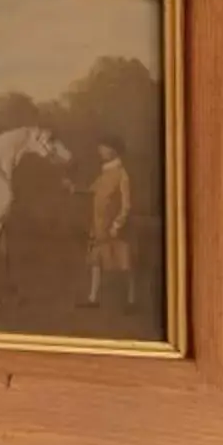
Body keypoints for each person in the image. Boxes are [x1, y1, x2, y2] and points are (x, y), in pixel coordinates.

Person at [81, 133, 135, 311]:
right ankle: (92, 298)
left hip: (114, 227)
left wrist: (116, 225)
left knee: (124, 263)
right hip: (99, 225)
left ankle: (130, 300)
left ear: (112, 150)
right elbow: (91, 190)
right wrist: (73, 189)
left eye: (102, 147)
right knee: (96, 261)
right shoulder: (104, 173)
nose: (99, 150)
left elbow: (126, 205)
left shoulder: (122, 174)